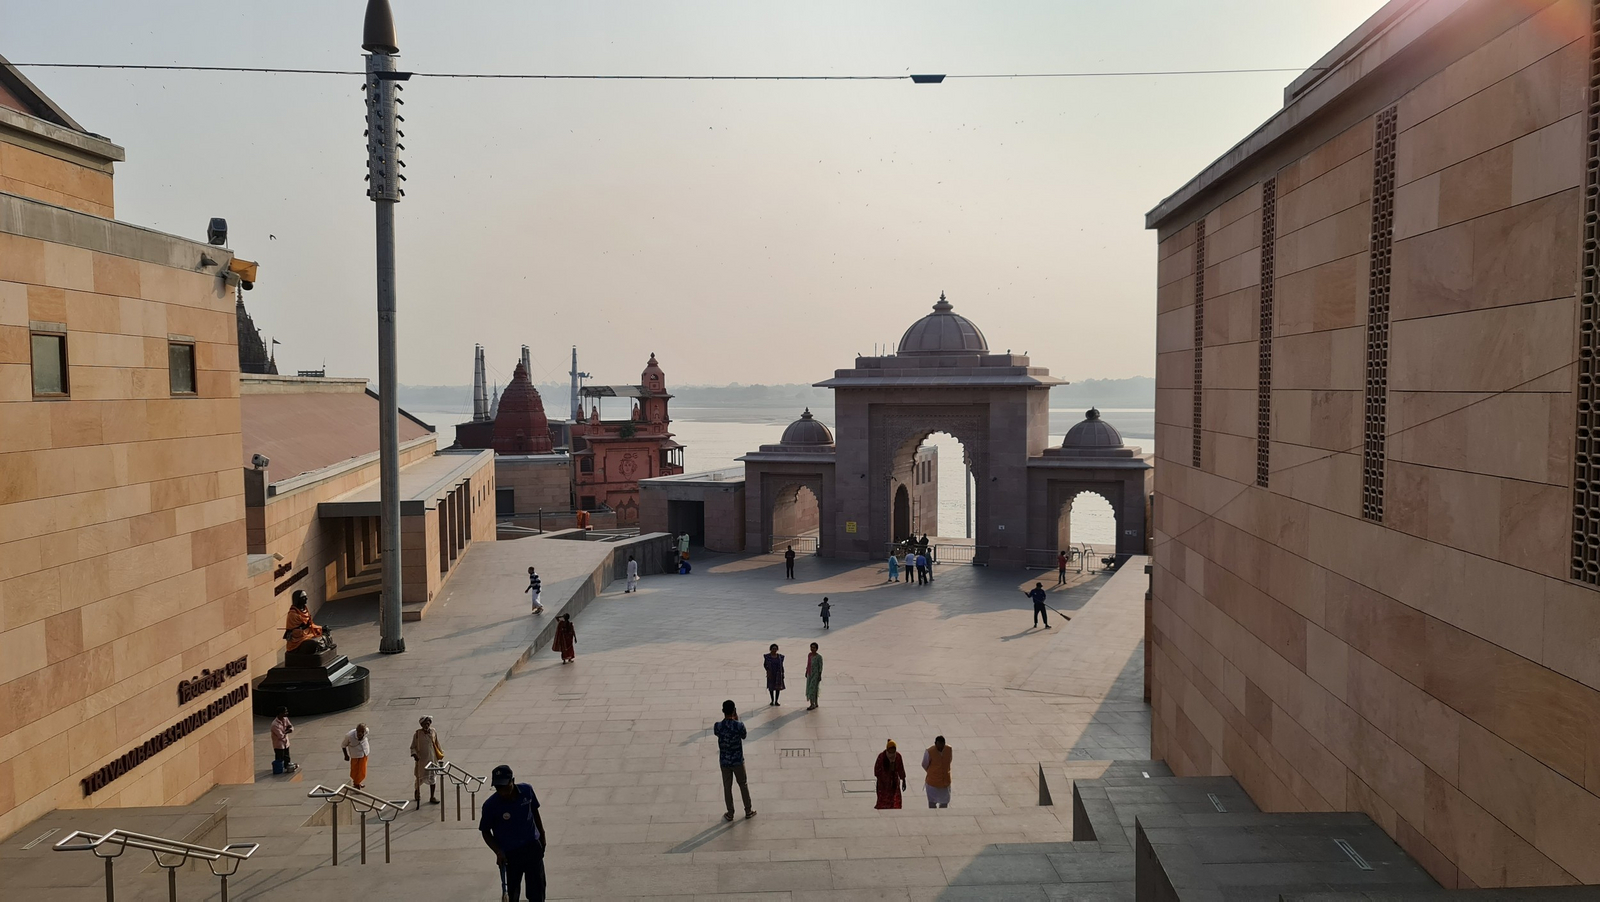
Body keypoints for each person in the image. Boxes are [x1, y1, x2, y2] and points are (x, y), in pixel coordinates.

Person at [479, 764, 547, 902]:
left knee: (537, 891)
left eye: (505, 787)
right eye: (498, 788)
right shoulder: (491, 805)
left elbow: (534, 811)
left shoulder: (527, 791)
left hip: (532, 847)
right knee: (512, 893)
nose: (503, 792)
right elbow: (485, 831)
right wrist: (498, 851)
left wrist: (542, 836)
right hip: (510, 854)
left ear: (513, 781)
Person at [713, 700, 756, 821]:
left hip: (724, 761)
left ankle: (730, 813)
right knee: (743, 784)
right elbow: (744, 736)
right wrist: (736, 719)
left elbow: (717, 733)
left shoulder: (718, 726)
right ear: (734, 710)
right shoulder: (739, 725)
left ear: (722, 711)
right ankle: (748, 810)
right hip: (737, 761)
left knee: (727, 787)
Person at [411, 716, 442, 805]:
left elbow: (436, 743)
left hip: (432, 759)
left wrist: (439, 753)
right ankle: (417, 792)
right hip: (422, 760)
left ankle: (432, 796)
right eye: (425, 723)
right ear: (421, 724)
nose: (426, 725)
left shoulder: (433, 731)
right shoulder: (417, 734)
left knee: (433, 777)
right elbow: (413, 747)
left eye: (428, 723)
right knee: (420, 777)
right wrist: (414, 754)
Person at [874, 740, 907, 809]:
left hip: (894, 784)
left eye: (893, 751)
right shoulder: (881, 757)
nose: (892, 754)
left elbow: (901, 768)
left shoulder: (897, 756)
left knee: (895, 800)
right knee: (883, 800)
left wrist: (903, 780)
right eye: (890, 751)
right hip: (883, 784)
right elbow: (876, 771)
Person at [922, 736, 953, 808]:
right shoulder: (929, 752)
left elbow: (949, 760)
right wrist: (932, 772)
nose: (940, 748)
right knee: (932, 803)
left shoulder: (949, 749)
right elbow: (924, 764)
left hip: (945, 782)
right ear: (935, 744)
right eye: (939, 746)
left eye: (942, 746)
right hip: (933, 784)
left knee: (944, 803)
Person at [341, 722, 370, 790]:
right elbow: (343, 745)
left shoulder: (367, 731)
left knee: (362, 770)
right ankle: (356, 782)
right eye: (358, 732)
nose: (360, 734)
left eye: (362, 732)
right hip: (355, 754)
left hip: (364, 752)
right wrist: (346, 755)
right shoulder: (349, 736)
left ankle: (357, 782)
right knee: (355, 770)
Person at [270, 707, 298, 773]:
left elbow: (291, 727)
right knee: (280, 758)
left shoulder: (285, 719)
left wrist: (288, 730)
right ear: (280, 713)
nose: (286, 713)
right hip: (279, 745)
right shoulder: (274, 724)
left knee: (287, 757)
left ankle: (287, 767)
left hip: (286, 743)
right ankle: (279, 770)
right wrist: (287, 731)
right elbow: (280, 736)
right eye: (285, 712)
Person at [804, 643, 823, 710]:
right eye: (811, 647)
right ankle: (814, 703)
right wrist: (806, 672)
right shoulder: (809, 655)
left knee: (813, 689)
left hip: (815, 675)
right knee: (810, 688)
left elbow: (820, 667)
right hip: (810, 674)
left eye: (814, 648)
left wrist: (820, 675)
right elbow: (808, 664)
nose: (812, 649)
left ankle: (813, 704)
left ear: (816, 649)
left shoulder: (819, 657)